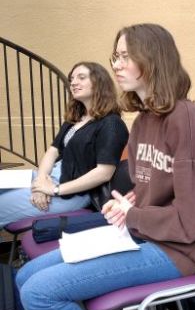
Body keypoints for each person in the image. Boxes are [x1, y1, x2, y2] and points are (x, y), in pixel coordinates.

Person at [16, 23, 195, 310]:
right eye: (115, 57)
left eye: (125, 56)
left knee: (39, 292)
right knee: (26, 275)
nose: (116, 65)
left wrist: (132, 214)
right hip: (143, 235)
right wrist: (130, 202)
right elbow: (152, 182)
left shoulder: (187, 119)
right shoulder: (146, 120)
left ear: (152, 60)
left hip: (178, 250)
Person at [0, 62, 128, 227]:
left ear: (99, 83)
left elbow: (104, 173)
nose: (73, 82)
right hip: (47, 177)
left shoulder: (112, 123)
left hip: (71, 192)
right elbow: (52, 152)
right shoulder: (74, 119)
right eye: (72, 78)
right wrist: (40, 181)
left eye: (81, 77)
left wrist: (53, 190)